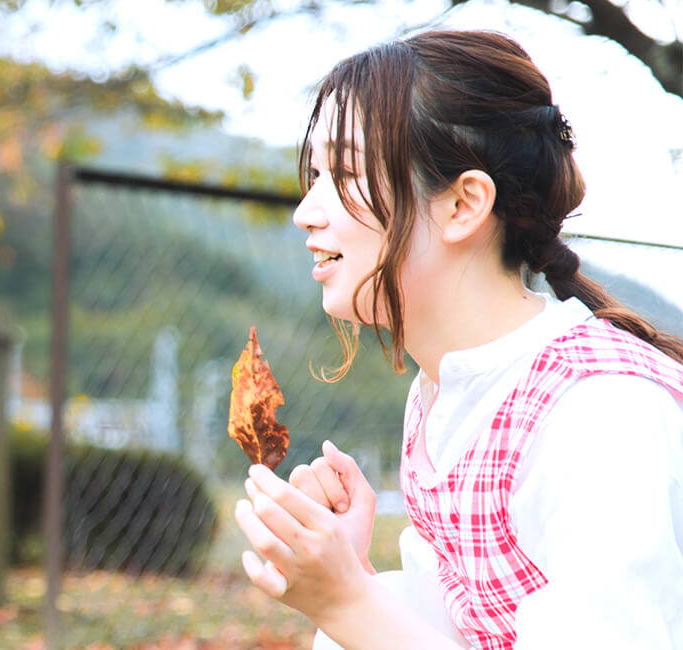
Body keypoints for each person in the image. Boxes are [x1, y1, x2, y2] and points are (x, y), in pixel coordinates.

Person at [234, 30, 683, 649]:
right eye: (314, 174)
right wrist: (349, 574)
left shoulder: (600, 412)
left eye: (341, 172)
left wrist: (347, 603)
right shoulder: (444, 395)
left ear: (464, 204)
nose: (306, 211)